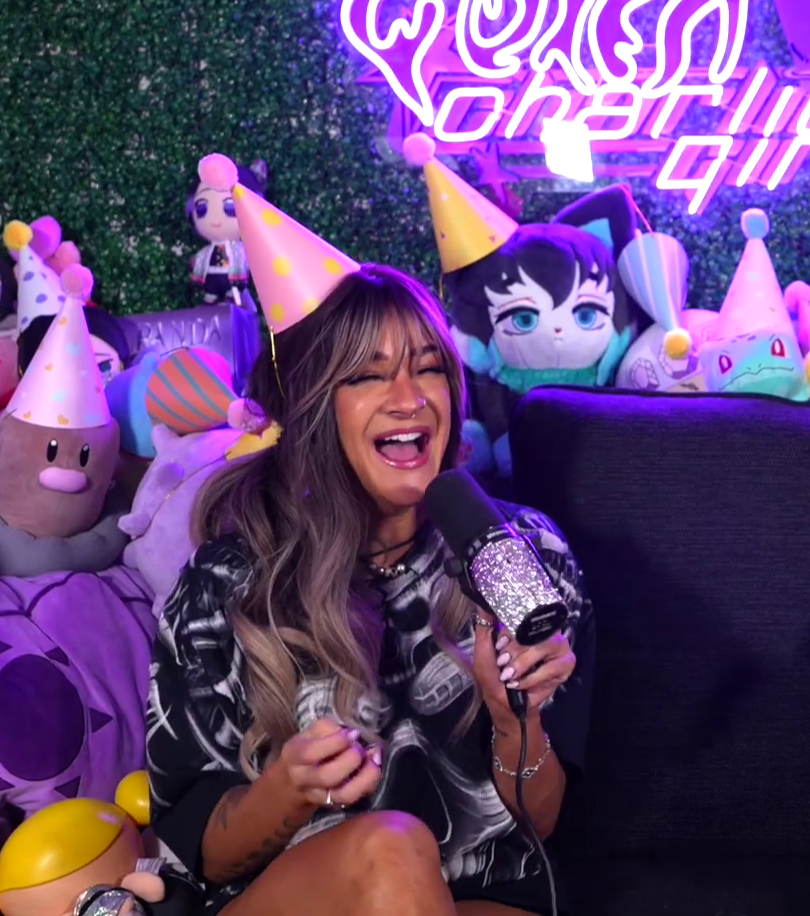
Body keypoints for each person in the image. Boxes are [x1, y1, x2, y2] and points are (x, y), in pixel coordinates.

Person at [145, 185, 591, 916]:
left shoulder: (525, 557)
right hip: (295, 900)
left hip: (471, 897)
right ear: (316, 407)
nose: (410, 398)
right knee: (391, 849)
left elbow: (538, 830)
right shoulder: (226, 584)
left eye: (429, 367)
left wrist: (517, 717)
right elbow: (204, 851)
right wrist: (287, 789)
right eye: (368, 375)